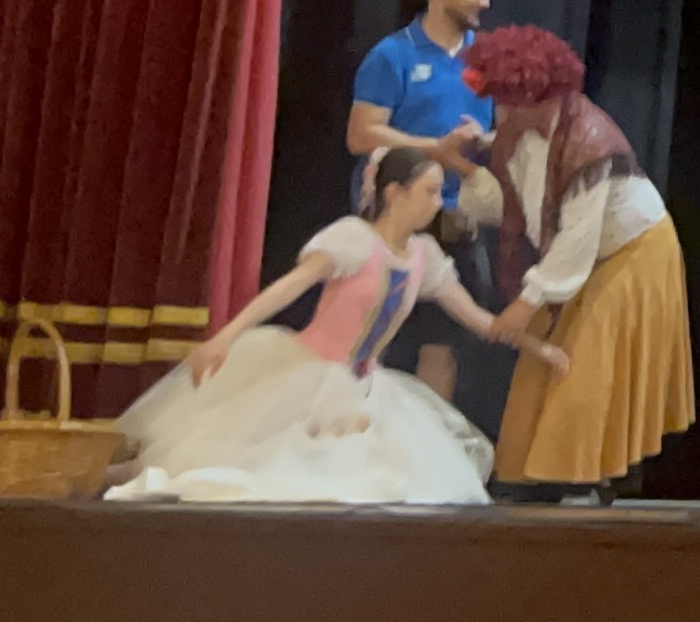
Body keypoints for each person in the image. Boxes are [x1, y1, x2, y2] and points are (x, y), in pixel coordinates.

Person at [107, 148, 566, 505]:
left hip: (367, 386)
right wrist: (224, 337)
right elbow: (288, 288)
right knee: (280, 471)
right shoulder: (354, 240)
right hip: (308, 372)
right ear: (396, 193)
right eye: (428, 191)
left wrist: (536, 347)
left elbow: (481, 320)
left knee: (377, 481)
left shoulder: (424, 256)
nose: (436, 201)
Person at [464, 24, 695, 495]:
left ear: (538, 96)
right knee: (543, 362)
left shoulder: (592, 145)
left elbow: (575, 241)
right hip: (581, 256)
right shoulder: (521, 129)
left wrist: (526, 302)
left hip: (634, 251)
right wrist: (465, 157)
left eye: (508, 99)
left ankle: (586, 481)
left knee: (586, 361)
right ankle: (534, 480)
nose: (501, 110)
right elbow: (523, 195)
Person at [348, 0, 497, 404]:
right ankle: (358, 427)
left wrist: (484, 141)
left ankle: (427, 439)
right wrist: (436, 150)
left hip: (456, 219)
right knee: (375, 336)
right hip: (396, 221)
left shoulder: (486, 60)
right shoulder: (393, 55)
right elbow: (361, 133)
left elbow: (502, 130)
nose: (486, 3)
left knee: (443, 345)